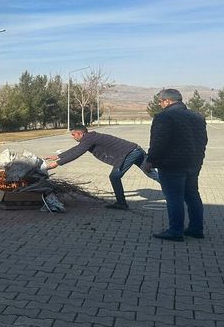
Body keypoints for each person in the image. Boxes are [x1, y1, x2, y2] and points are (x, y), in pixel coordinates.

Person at [143, 89, 208, 241]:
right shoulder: (197, 116)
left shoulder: (164, 117)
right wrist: (199, 158)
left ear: (167, 101)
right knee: (192, 195)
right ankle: (196, 229)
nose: (159, 104)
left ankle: (175, 231)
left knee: (174, 198)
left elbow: (159, 142)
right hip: (193, 163)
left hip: (172, 165)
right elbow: (203, 140)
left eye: (160, 101)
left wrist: (150, 161)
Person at [45, 124, 159, 210]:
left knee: (114, 177)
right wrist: (58, 156)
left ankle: (122, 204)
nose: (72, 137)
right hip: (135, 150)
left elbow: (77, 153)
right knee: (150, 172)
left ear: (81, 133)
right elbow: (76, 149)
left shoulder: (89, 139)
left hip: (128, 154)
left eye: (73, 134)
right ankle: (174, 189)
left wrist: (56, 164)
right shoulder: (89, 138)